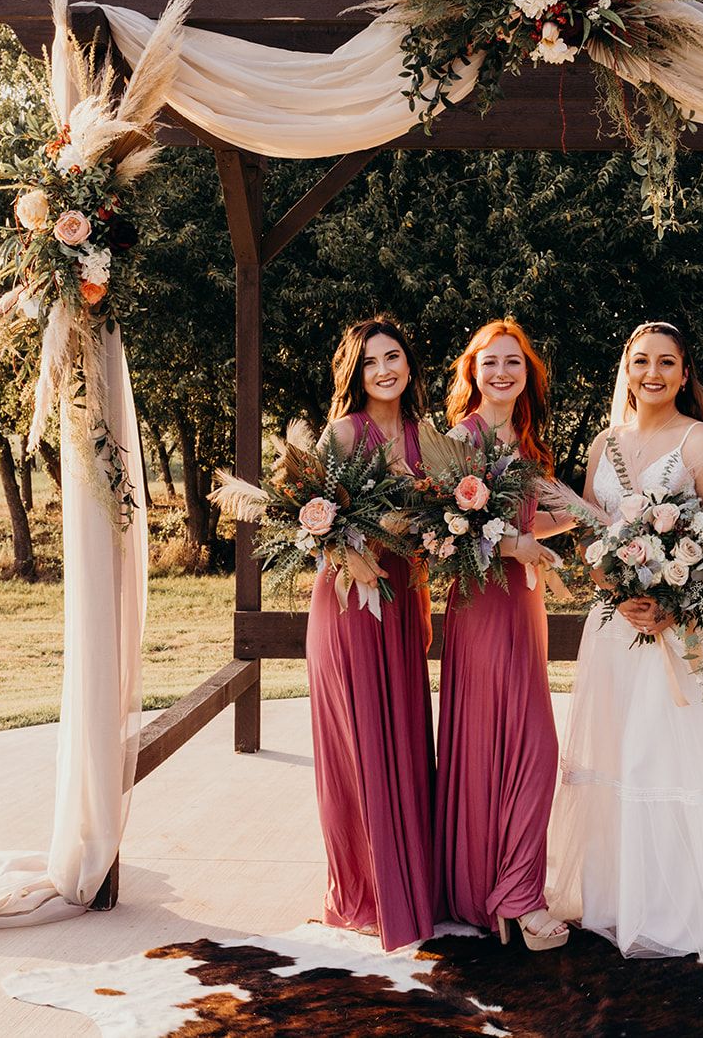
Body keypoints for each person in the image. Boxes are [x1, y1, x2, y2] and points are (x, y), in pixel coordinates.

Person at [548, 321, 703, 970]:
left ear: (685, 373)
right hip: (614, 628)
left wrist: (668, 598)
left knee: (670, 759)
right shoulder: (605, 440)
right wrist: (614, 584)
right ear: (626, 368)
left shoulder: (700, 441)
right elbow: (592, 534)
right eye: (640, 361)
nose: (651, 373)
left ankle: (686, 910)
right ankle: (625, 900)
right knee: (622, 758)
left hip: (682, 632)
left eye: (666, 362)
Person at [435, 318, 574, 951]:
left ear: (527, 373)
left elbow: (521, 521)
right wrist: (517, 542)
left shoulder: (521, 440)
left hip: (522, 606)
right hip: (483, 610)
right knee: (529, 749)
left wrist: (572, 521)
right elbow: (446, 535)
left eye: (513, 363)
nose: (501, 373)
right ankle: (516, 896)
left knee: (511, 748)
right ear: (472, 371)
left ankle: (489, 890)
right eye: (489, 363)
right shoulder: (459, 442)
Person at [305, 315, 436, 951]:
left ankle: (410, 881)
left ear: (408, 364)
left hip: (404, 597)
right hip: (350, 599)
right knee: (358, 739)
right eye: (369, 362)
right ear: (354, 373)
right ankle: (365, 888)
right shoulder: (341, 433)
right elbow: (312, 521)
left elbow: (441, 516)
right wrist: (345, 554)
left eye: (393, 357)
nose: (383, 370)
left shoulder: (424, 436)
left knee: (404, 733)